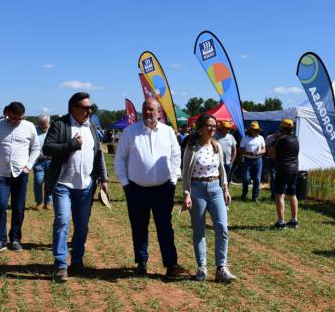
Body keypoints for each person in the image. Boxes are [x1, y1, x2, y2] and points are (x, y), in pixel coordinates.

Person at [114, 98, 183, 279]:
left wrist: (173, 181)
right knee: (139, 226)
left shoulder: (168, 132)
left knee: (165, 227)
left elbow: (176, 157)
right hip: (136, 189)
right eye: (145, 109)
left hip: (163, 189)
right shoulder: (130, 132)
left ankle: (171, 264)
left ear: (159, 112)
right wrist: (125, 184)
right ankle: (142, 261)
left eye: (152, 110)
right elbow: (120, 158)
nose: (148, 113)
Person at [43, 93, 108, 282]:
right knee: (62, 221)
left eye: (91, 108)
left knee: (82, 226)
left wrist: (103, 177)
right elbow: (47, 148)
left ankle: (78, 261)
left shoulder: (92, 127)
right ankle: (61, 265)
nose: (90, 111)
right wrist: (71, 145)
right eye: (86, 108)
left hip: (86, 186)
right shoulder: (60, 125)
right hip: (63, 184)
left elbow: (98, 155)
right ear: (73, 108)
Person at [0, 102, 40, 252]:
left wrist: (28, 166)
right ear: (7, 113)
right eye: (13, 118)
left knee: (18, 208)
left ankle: (15, 239)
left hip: (21, 174)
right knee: (0, 204)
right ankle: (0, 239)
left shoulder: (29, 127)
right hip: (0, 173)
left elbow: (36, 148)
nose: (16, 122)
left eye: (19, 119)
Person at [182, 114, 235, 282]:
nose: (213, 128)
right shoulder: (192, 147)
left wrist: (225, 188)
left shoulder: (216, 146)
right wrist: (186, 193)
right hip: (197, 189)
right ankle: (202, 268)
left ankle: (221, 268)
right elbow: (185, 173)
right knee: (199, 231)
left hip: (216, 189)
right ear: (201, 128)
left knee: (222, 228)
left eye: (215, 126)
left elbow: (222, 169)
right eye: (210, 125)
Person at [269, 119, 300, 229]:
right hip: (294, 170)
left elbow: (271, 152)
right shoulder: (296, 139)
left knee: (280, 195)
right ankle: (294, 220)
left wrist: (274, 140)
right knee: (292, 195)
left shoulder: (281, 140)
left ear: (282, 128)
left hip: (282, 169)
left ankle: (281, 222)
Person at [240, 121, 265, 202]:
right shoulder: (245, 138)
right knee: (246, 179)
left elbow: (264, 149)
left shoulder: (261, 138)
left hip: (258, 159)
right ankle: (244, 194)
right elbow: (241, 149)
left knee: (257, 179)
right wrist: (247, 153)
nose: (256, 131)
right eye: (254, 129)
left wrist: (259, 152)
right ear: (250, 130)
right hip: (247, 159)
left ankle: (255, 197)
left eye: (257, 130)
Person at [33, 114, 53, 210]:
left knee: (49, 182)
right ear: (38, 123)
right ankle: (39, 202)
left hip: (51, 161)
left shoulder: (53, 131)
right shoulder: (34, 131)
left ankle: (48, 202)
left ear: (49, 123)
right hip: (38, 161)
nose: (44, 126)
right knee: (38, 181)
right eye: (41, 124)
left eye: (45, 124)